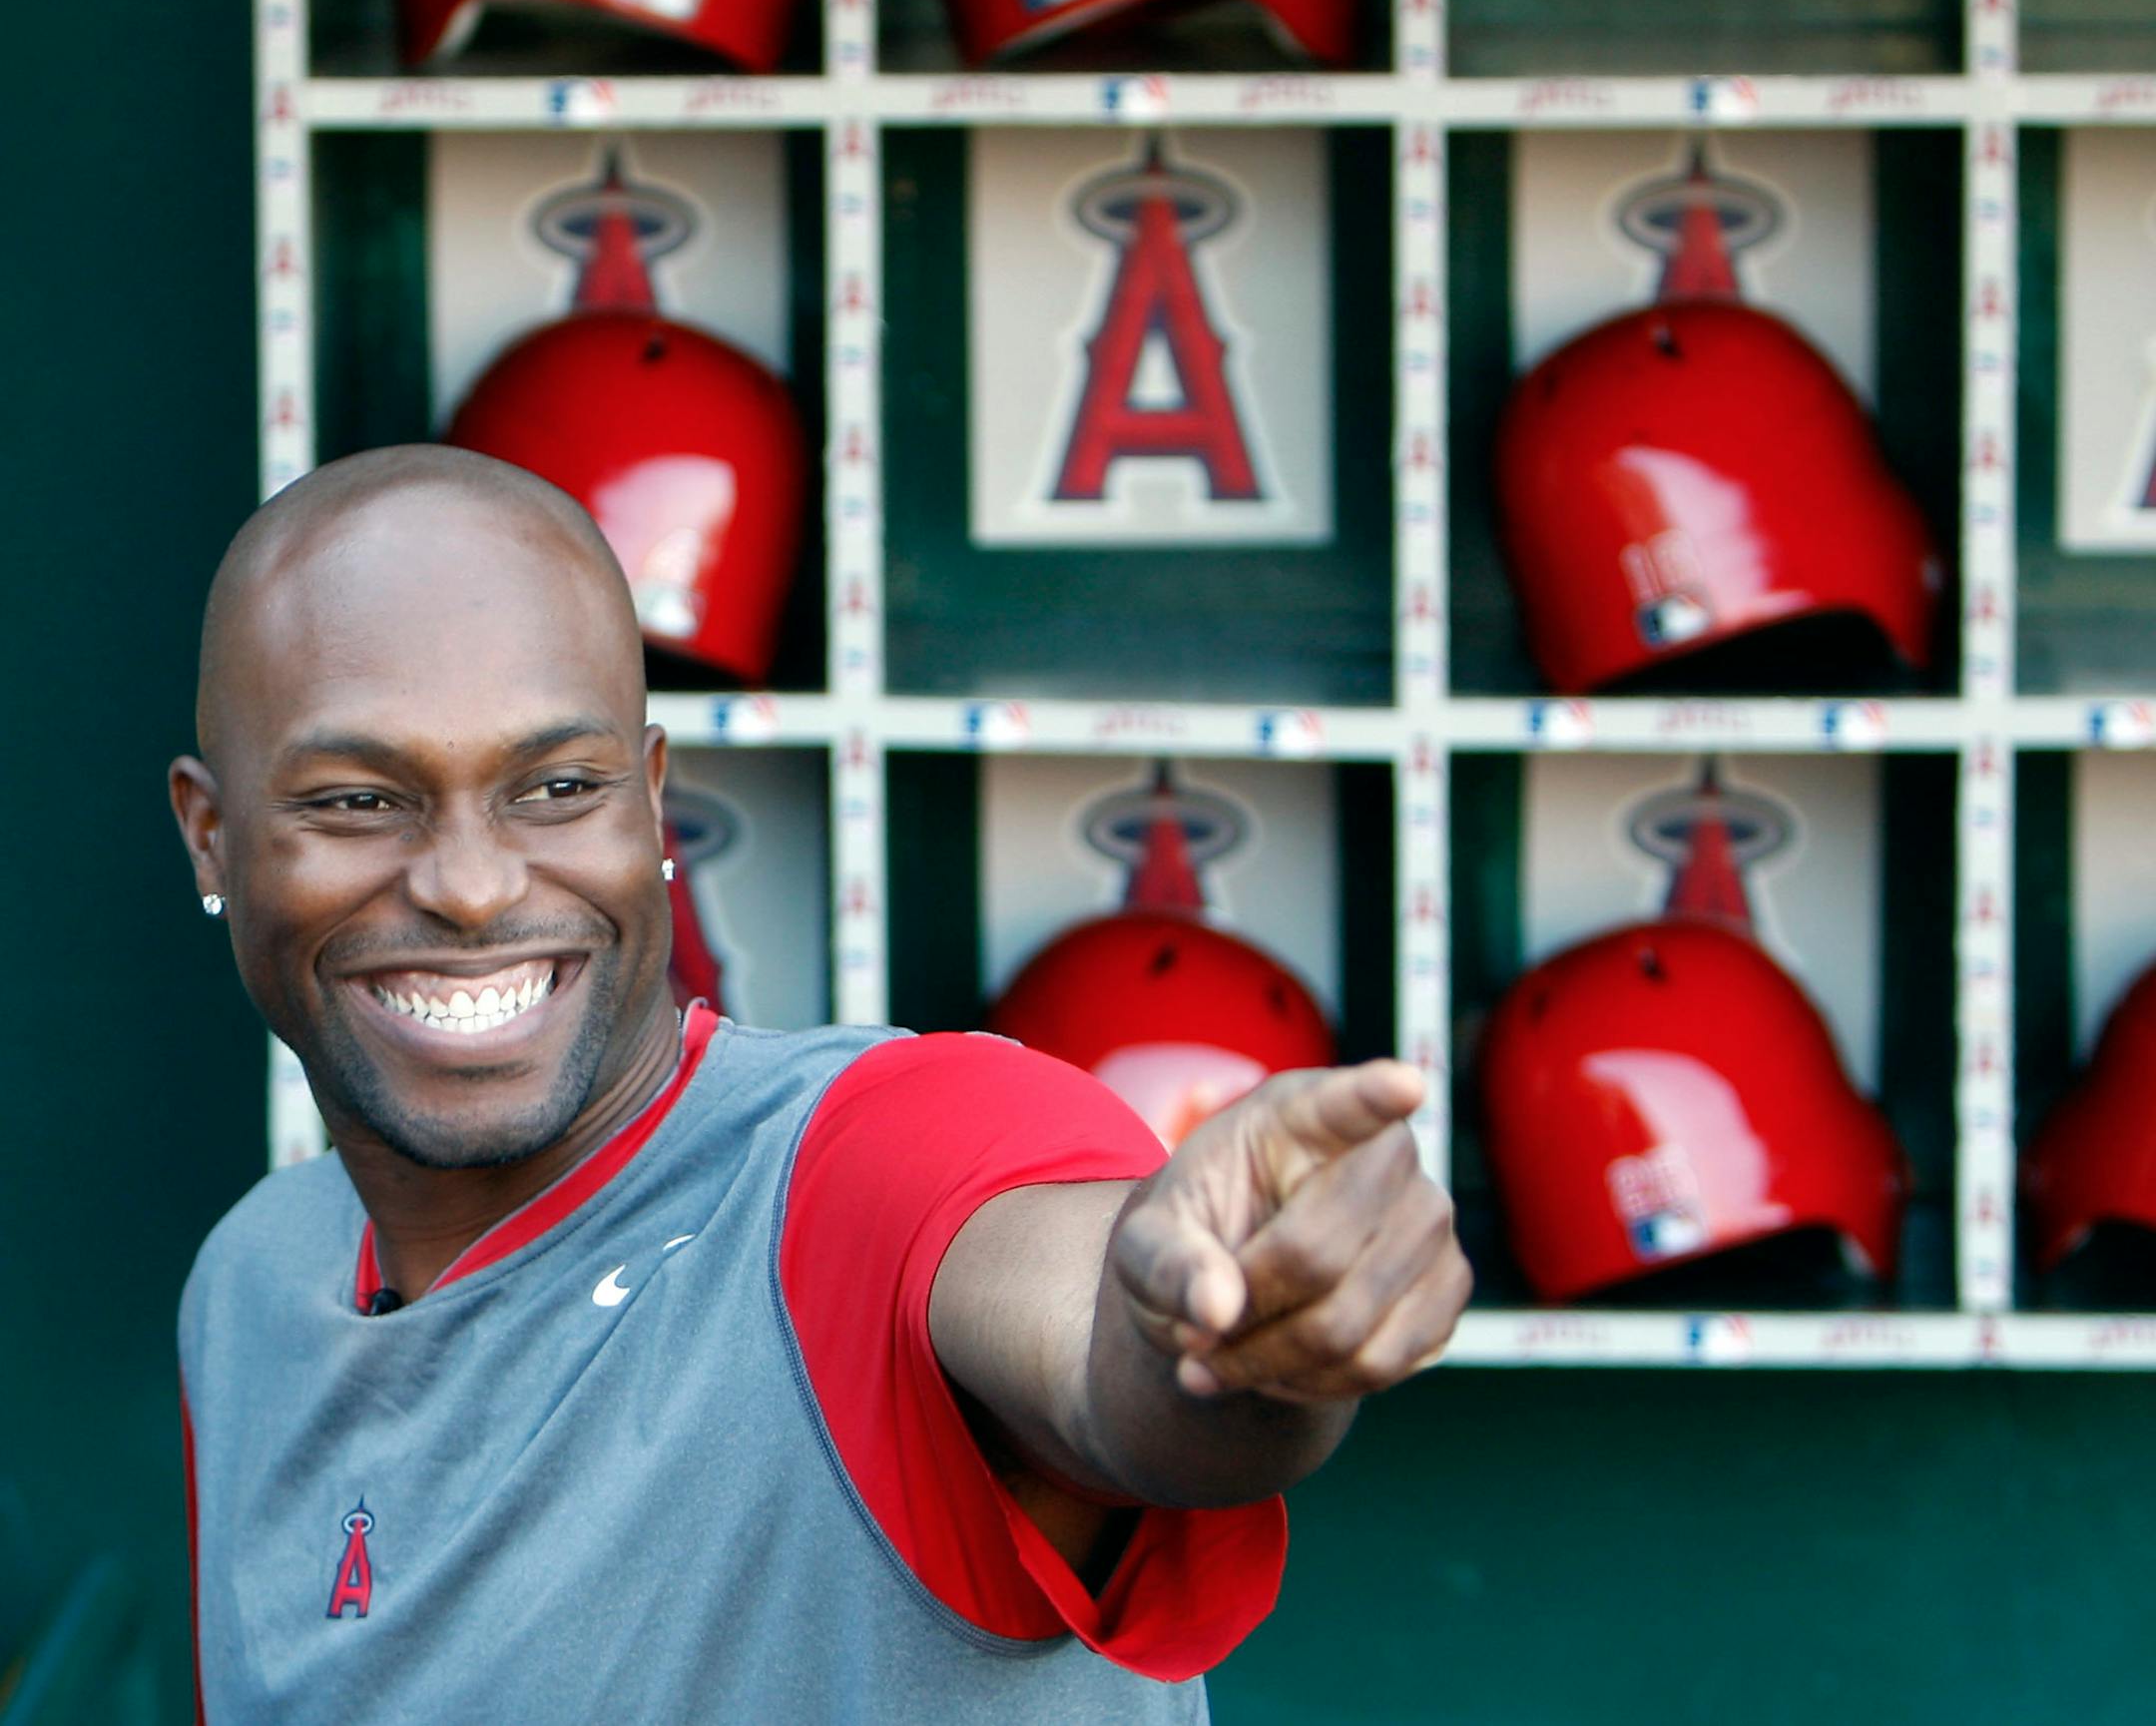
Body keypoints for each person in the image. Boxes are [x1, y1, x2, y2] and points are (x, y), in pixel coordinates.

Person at [170, 445, 1471, 1723]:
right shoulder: (251, 1285)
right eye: (356, 801)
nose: (472, 883)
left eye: (559, 787)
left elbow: (1098, 1344)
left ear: (653, 799)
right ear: (212, 833)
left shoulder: (870, 1158)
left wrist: (1223, 1341)